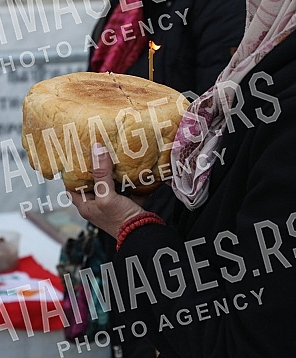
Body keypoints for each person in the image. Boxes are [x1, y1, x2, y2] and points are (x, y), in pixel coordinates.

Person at [70, 0, 296, 357]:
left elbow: (211, 142)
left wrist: (138, 224)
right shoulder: (126, 9)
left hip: (174, 253)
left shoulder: (223, 13)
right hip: (157, 255)